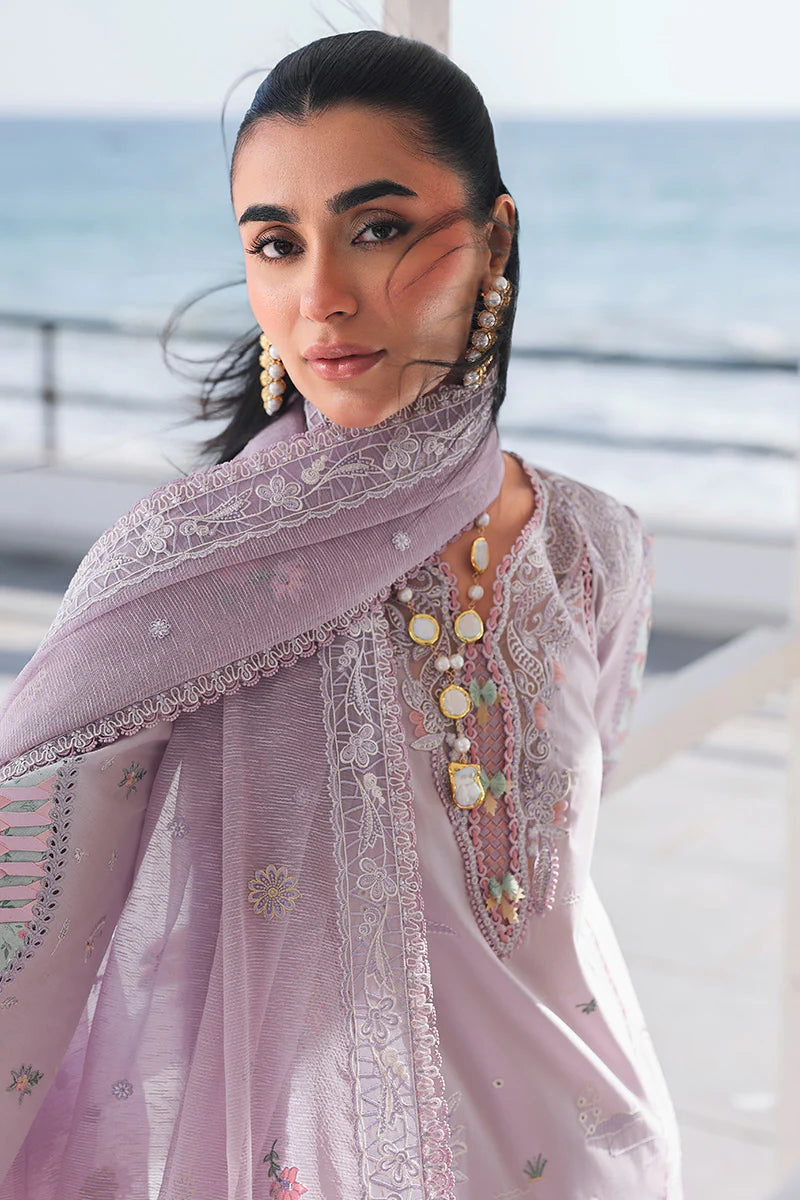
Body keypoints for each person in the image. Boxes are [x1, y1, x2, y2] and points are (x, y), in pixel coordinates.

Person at [0, 29, 682, 1200]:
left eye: (376, 229)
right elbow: (26, 898)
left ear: (494, 239)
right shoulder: (179, 574)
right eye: (276, 244)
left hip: (598, 1157)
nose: (319, 296)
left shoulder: (593, 549)